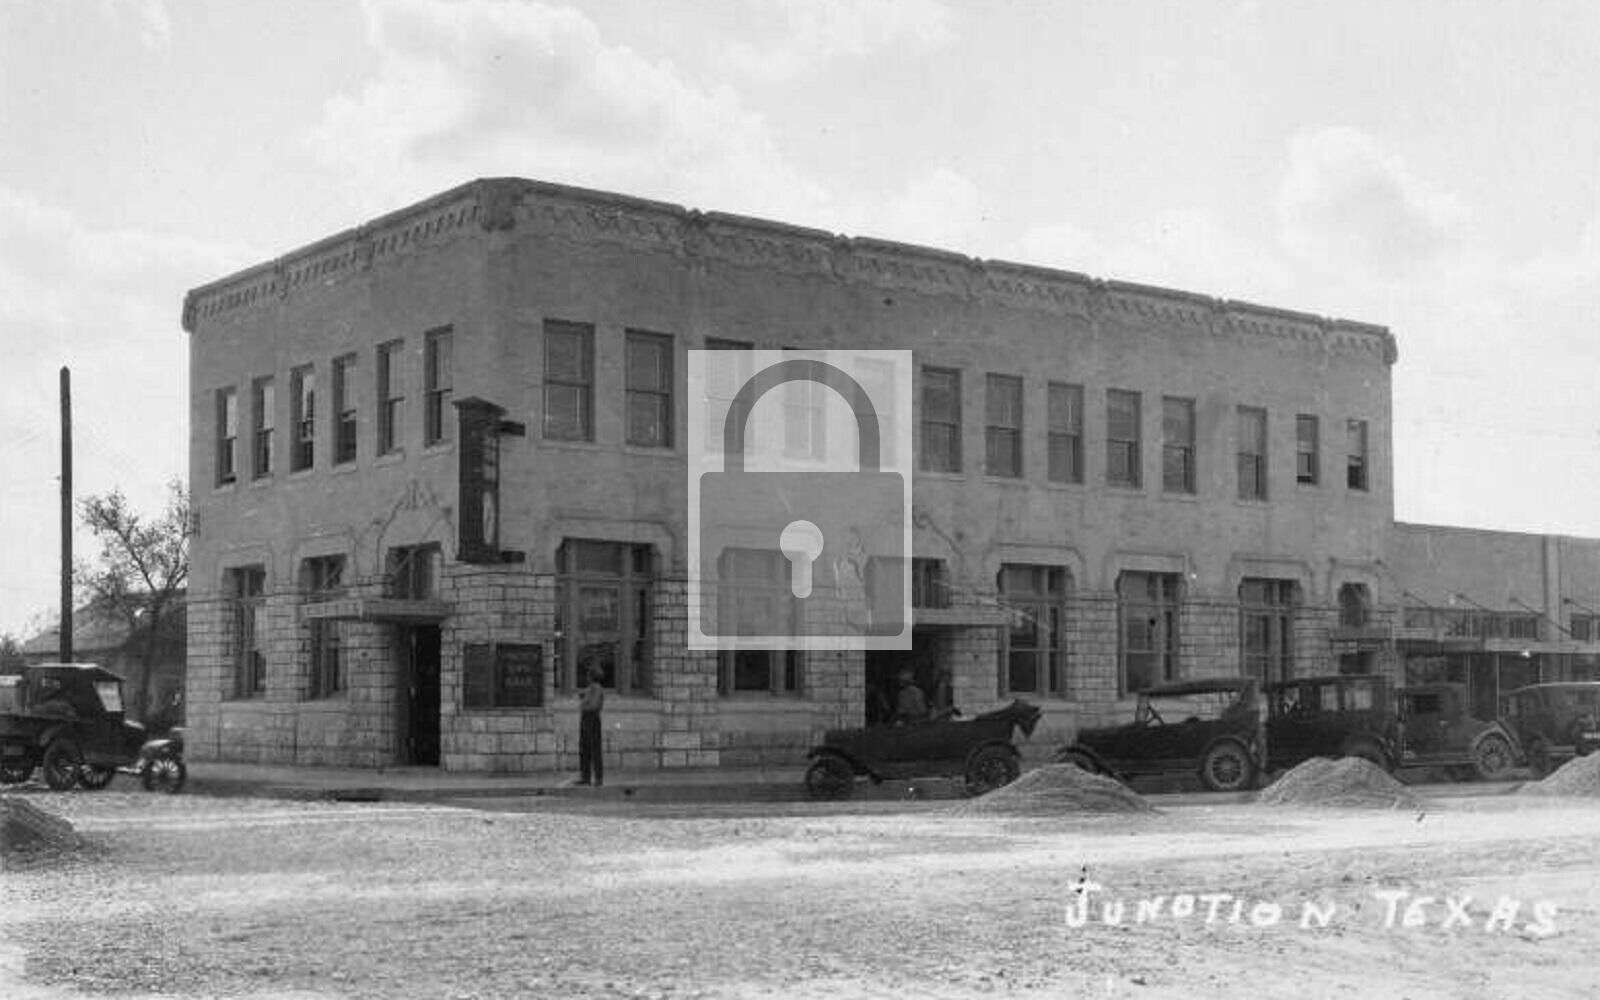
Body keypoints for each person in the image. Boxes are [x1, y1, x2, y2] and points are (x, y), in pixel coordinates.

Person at [577, 665, 605, 786]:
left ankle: (598, 777)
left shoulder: (597, 688)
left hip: (592, 718)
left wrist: (584, 705)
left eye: (589, 675)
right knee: (584, 748)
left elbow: (593, 705)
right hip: (585, 718)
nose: (587, 677)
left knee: (594, 749)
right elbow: (583, 696)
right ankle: (585, 776)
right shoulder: (590, 688)